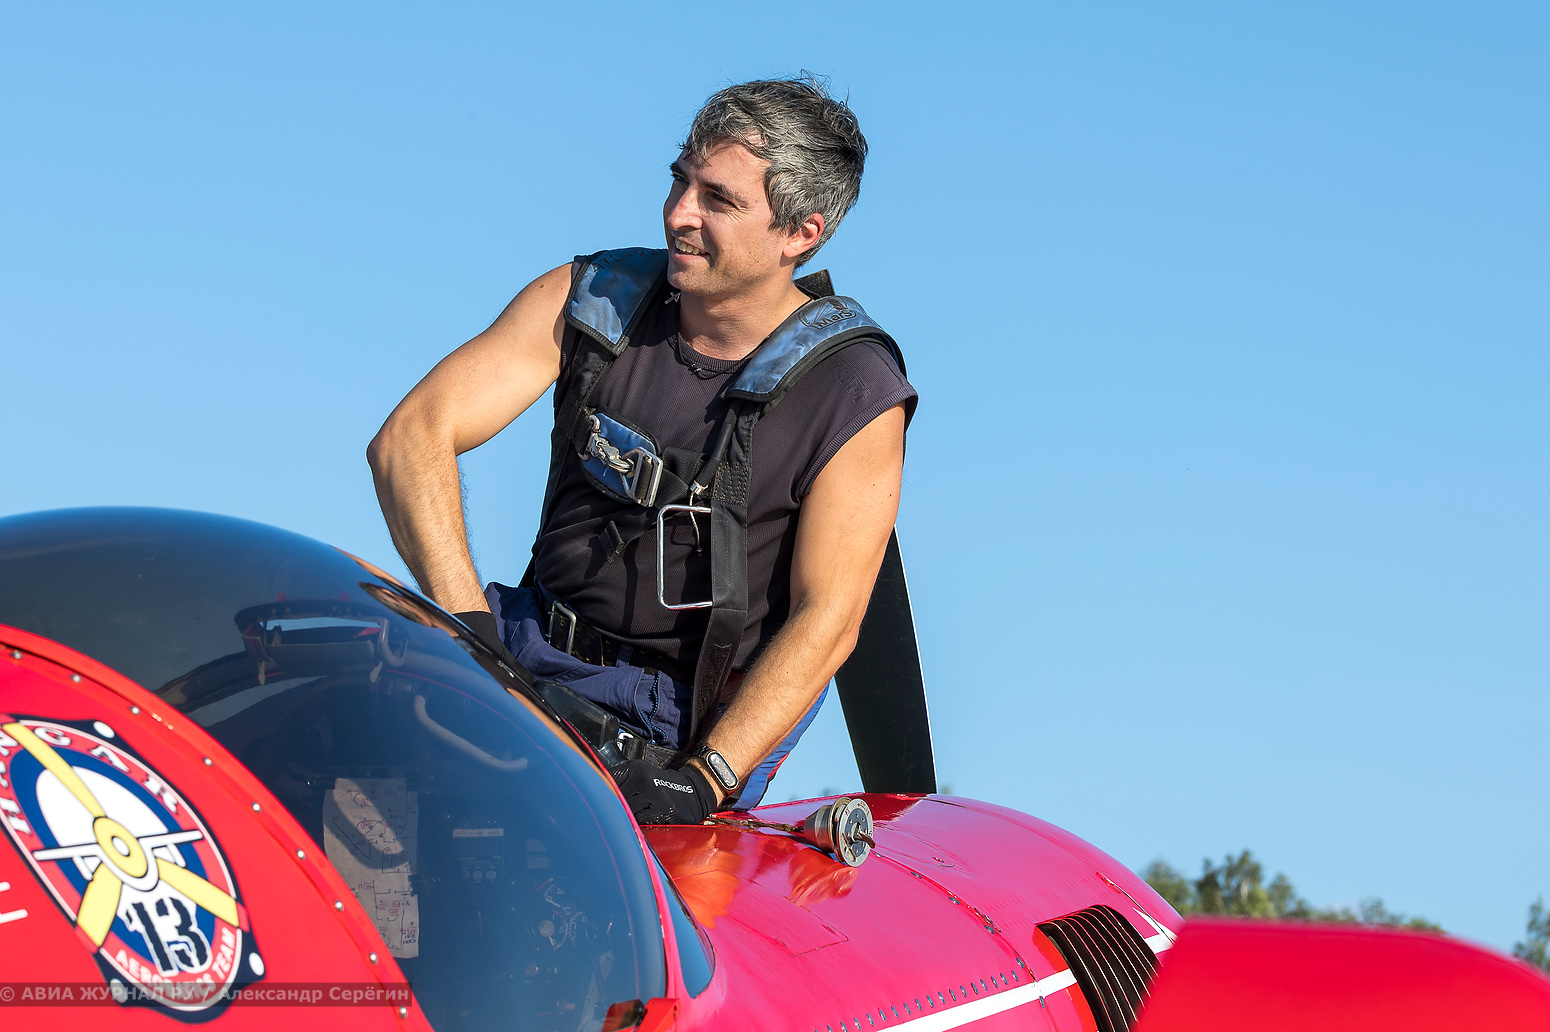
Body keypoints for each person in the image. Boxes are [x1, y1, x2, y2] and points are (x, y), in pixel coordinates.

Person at [368, 77, 914, 825]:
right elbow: (410, 435)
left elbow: (829, 619)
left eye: (718, 200)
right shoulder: (595, 297)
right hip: (517, 642)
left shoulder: (855, 392)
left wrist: (706, 778)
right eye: (679, 181)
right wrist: (472, 637)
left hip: (673, 726)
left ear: (800, 234)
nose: (679, 213)